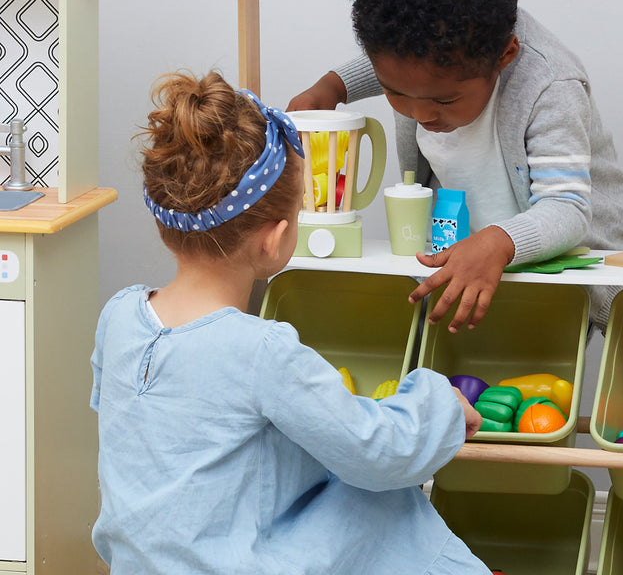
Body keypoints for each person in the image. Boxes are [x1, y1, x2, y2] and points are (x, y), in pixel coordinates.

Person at [89, 70, 492, 574]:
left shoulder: (119, 316)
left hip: (139, 564)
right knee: (381, 501)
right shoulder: (261, 350)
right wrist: (440, 407)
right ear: (275, 239)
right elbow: (375, 451)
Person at [289, 0, 623, 333]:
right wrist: (333, 86)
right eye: (394, 92)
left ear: (505, 55)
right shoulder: (425, 56)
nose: (420, 115)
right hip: (471, 246)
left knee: (538, 357)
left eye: (444, 100)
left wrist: (496, 241)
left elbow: (567, 208)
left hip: (567, 260)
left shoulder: (549, 84)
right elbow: (400, 67)